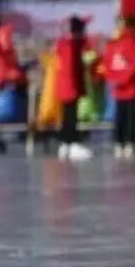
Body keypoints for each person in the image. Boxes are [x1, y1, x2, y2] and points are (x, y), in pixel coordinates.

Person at [103, 17, 135, 158]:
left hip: (120, 86)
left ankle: (119, 143)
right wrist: (124, 78)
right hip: (131, 86)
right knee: (130, 117)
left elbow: (108, 63)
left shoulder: (115, 44)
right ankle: (129, 143)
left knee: (120, 116)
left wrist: (116, 78)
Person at [53, 16, 94, 161]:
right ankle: (72, 143)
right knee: (71, 116)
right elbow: (72, 68)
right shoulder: (72, 46)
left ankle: (65, 144)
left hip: (64, 85)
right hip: (71, 85)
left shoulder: (64, 44)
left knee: (67, 115)